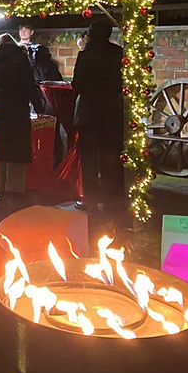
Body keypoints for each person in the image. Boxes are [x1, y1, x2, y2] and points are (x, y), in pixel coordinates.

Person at [72, 20, 129, 234]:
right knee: (109, 157)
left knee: (88, 159)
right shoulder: (118, 54)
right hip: (111, 113)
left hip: (88, 114)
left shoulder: (85, 55)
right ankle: (108, 197)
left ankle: (91, 199)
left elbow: (77, 84)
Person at [0, 33, 46, 200]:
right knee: (17, 149)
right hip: (18, 107)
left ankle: (1, 188)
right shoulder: (20, 59)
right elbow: (29, 85)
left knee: (1, 150)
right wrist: (39, 107)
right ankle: (14, 189)